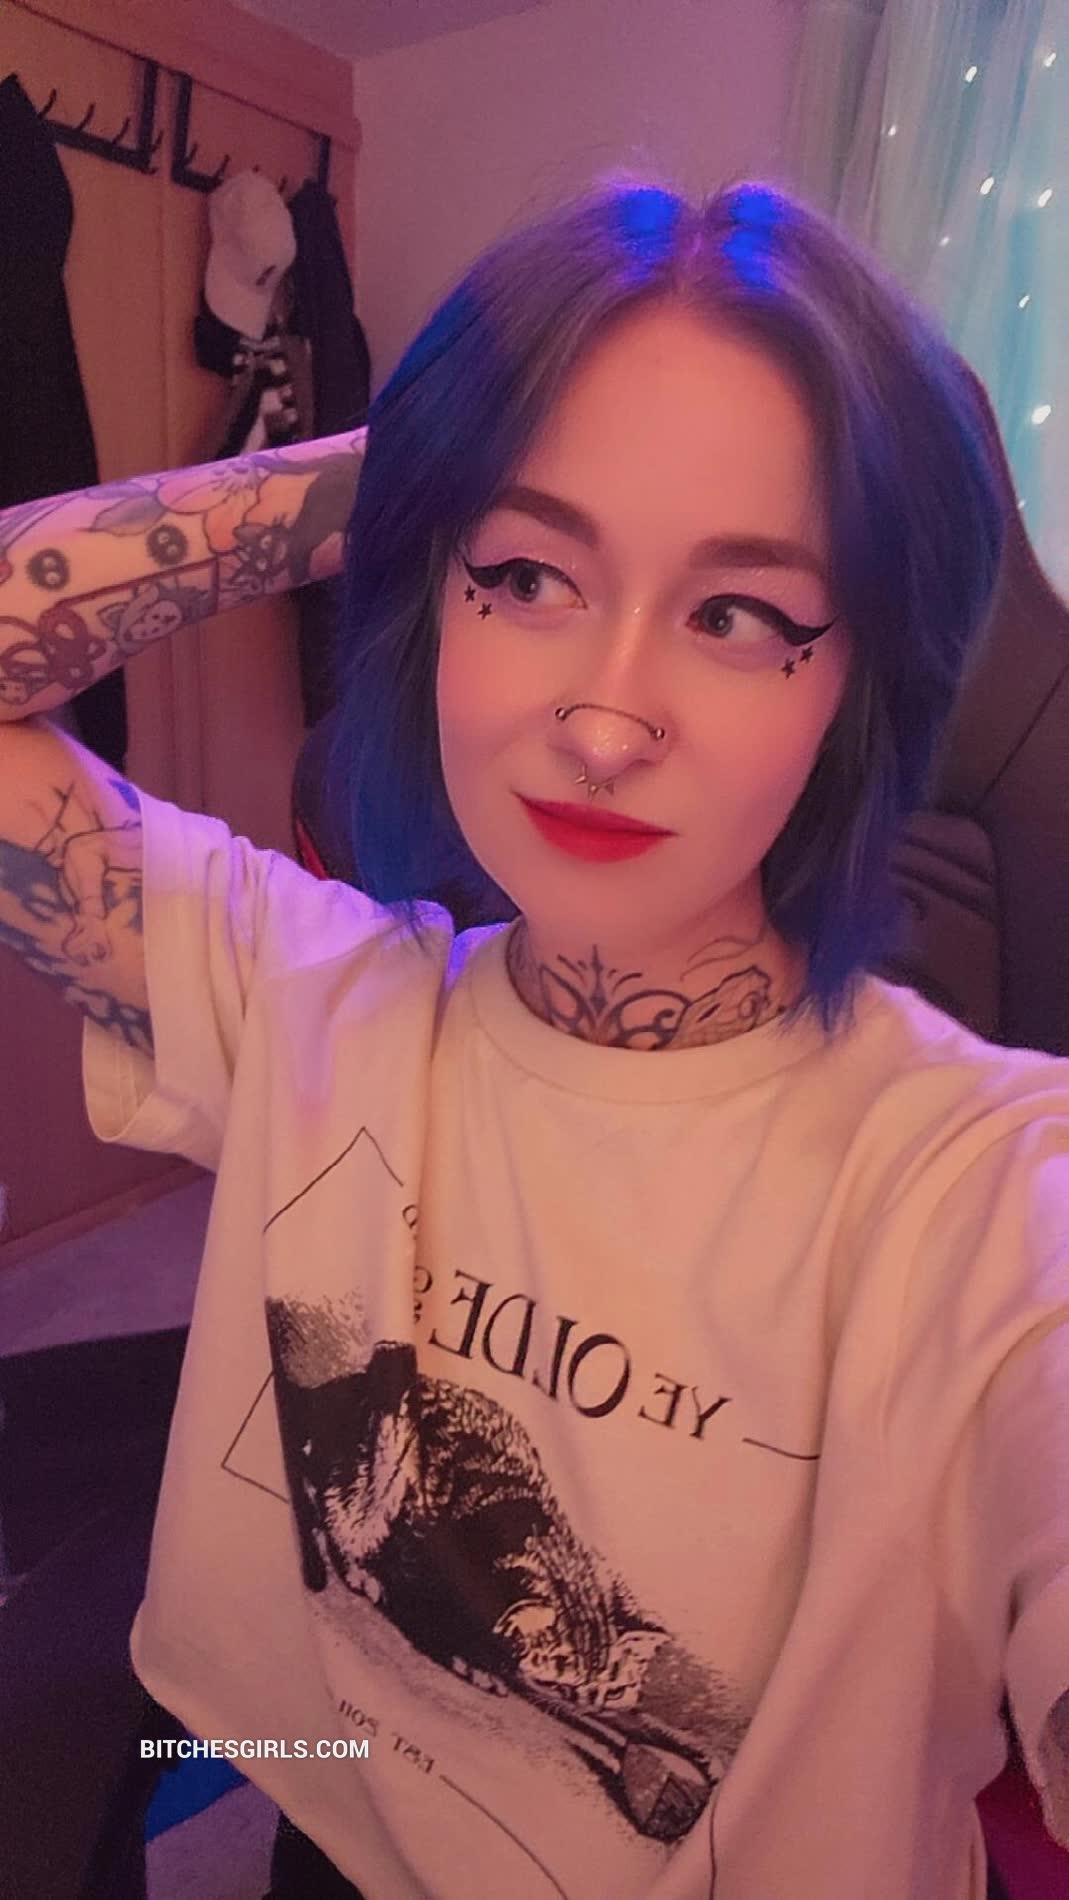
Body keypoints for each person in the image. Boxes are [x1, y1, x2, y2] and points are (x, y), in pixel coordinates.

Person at [0, 177, 1065, 1900]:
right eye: (525, 573)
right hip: (331, 1826)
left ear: (849, 684)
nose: (602, 719)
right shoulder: (302, 995)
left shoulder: (992, 1192)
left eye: (735, 613)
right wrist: (426, 462)